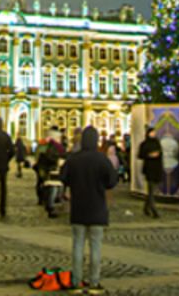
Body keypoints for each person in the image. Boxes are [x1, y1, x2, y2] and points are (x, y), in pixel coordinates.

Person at [62, 126, 119, 295]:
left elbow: (63, 177)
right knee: (96, 247)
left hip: (78, 207)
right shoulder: (101, 159)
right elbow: (112, 181)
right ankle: (94, 283)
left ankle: (76, 282)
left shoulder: (73, 159)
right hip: (97, 208)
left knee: (77, 245)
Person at [137, 126, 164, 218]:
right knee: (151, 190)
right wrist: (149, 155)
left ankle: (146, 207)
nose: (153, 134)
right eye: (152, 132)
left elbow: (161, 153)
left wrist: (158, 154)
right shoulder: (144, 144)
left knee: (151, 191)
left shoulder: (157, 142)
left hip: (157, 168)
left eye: (154, 132)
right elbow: (140, 155)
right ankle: (154, 210)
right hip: (149, 169)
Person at [158, 127, 179, 198]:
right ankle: (171, 191)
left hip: (163, 161)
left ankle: (165, 190)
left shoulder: (161, 142)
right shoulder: (174, 142)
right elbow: (177, 152)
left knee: (164, 177)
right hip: (173, 162)